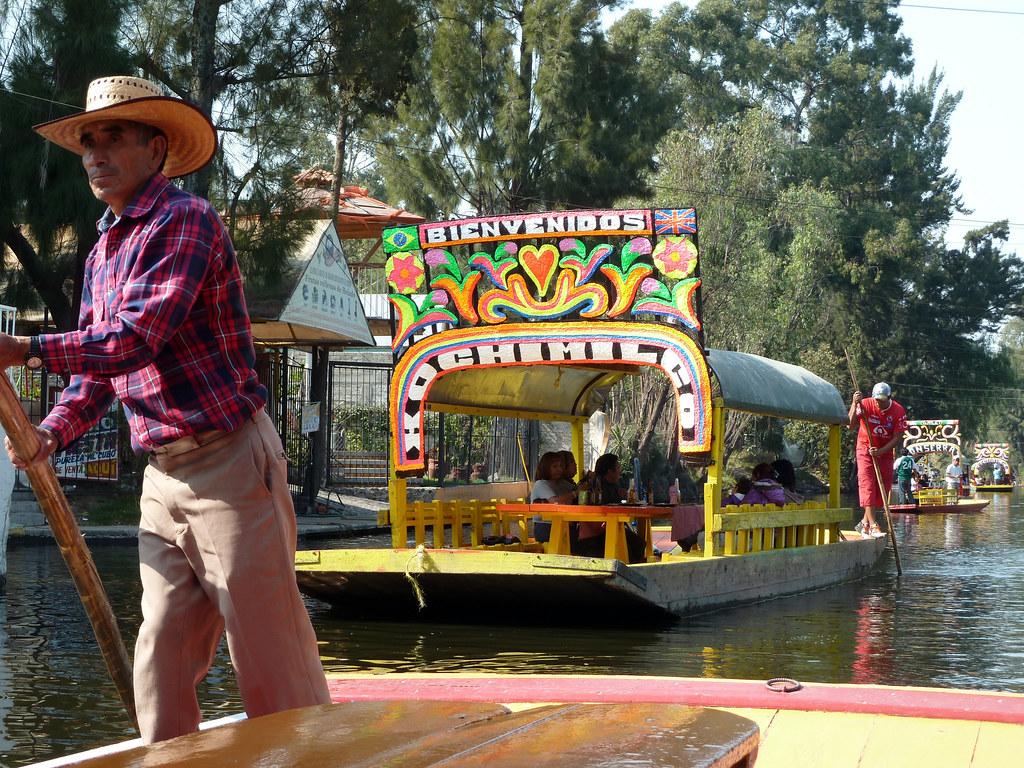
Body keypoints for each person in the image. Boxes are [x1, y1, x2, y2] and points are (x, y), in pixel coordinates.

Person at [0, 76, 330, 743]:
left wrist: (25, 348)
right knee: (160, 654)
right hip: (163, 476)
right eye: (88, 141)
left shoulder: (185, 220)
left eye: (114, 136)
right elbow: (100, 369)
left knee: (268, 659)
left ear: (156, 150)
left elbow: (133, 339)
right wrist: (50, 434)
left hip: (231, 462)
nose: (96, 153)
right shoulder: (104, 250)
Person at [849, 382, 906, 539]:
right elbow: (850, 425)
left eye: (882, 400)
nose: (878, 403)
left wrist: (881, 451)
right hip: (865, 449)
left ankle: (864, 523)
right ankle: (873, 525)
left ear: (889, 397)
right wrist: (854, 404)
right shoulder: (865, 404)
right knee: (867, 485)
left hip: (884, 452)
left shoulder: (898, 411)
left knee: (882, 489)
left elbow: (897, 437)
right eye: (876, 400)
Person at [572, 453, 647, 563]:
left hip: (607, 529)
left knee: (639, 543)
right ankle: (628, 570)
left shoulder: (612, 485)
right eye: (618, 468)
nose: (620, 472)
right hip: (593, 535)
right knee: (629, 548)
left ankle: (632, 569)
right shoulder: (594, 486)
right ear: (609, 471)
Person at [530, 451, 579, 542]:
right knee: (580, 539)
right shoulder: (541, 484)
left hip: (564, 526)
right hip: (546, 527)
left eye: (561, 466)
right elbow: (555, 501)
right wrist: (575, 493)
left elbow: (576, 489)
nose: (559, 469)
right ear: (546, 468)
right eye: (555, 466)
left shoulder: (562, 483)